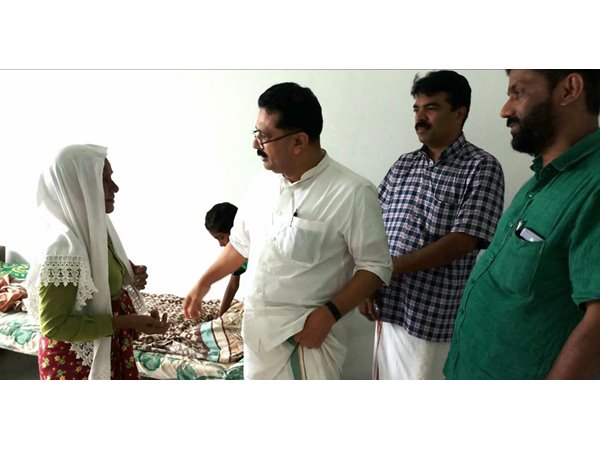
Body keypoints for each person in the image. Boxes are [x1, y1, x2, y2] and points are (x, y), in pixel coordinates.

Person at [184, 82, 392, 380]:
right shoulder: (261, 185)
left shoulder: (352, 192)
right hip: (258, 340)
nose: (255, 145)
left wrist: (329, 314)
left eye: (264, 137)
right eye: (256, 133)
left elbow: (375, 266)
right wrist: (203, 283)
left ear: (299, 141)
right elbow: (240, 245)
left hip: (307, 339)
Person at [444, 69, 600, 380]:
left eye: (518, 93)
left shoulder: (593, 187)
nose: (505, 110)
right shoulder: (541, 180)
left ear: (569, 89)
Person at [358, 70, 505, 379]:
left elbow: (463, 240)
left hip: (433, 318)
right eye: (417, 109)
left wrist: (384, 270)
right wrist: (368, 281)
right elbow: (371, 225)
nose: (420, 117)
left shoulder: (481, 167)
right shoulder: (404, 164)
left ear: (459, 113)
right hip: (388, 307)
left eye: (431, 108)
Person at [25, 144, 169, 380]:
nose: (116, 188)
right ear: (76, 187)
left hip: (105, 345)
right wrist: (126, 321)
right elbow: (54, 326)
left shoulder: (95, 232)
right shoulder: (63, 248)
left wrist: (128, 273)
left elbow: (97, 277)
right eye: (103, 180)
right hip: (75, 362)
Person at [204, 202, 246, 316]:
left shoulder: (254, 249)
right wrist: (220, 316)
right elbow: (233, 285)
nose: (221, 244)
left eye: (221, 237)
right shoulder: (237, 255)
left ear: (236, 231)